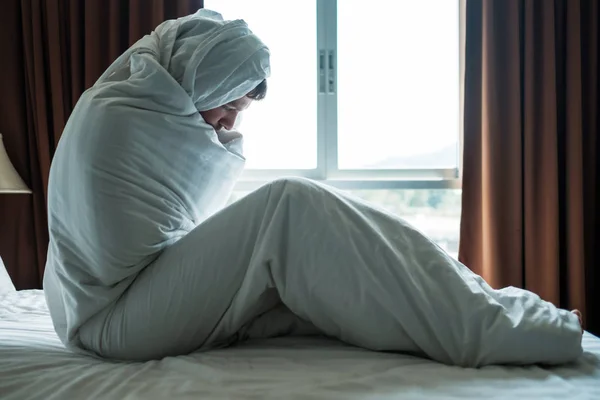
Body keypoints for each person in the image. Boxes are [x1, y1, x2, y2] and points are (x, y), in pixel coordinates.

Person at [43, 10, 583, 367]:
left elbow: (172, 230)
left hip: (108, 312)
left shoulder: (134, 107)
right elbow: (155, 244)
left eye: (238, 110)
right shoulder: (126, 116)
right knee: (290, 206)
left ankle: (473, 303)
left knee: (335, 283)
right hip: (113, 320)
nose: (229, 124)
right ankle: (486, 326)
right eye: (228, 102)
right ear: (199, 76)